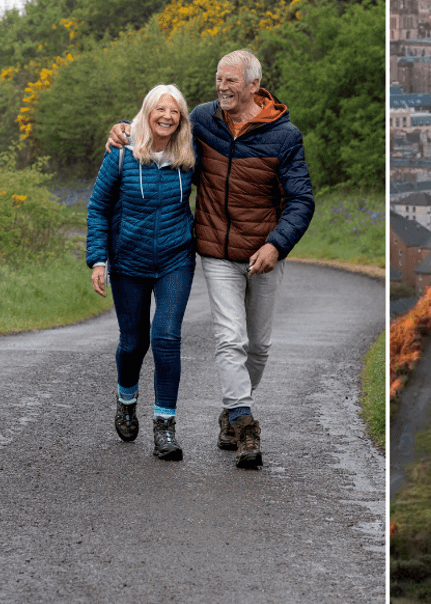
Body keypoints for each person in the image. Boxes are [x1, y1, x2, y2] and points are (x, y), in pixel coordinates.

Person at [108, 50, 314, 470]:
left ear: (254, 86)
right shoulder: (203, 119)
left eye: (231, 82)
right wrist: (124, 128)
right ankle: (244, 422)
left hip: (264, 254)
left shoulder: (285, 136)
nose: (222, 87)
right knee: (229, 338)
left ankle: (229, 412)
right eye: (218, 80)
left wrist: (277, 245)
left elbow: (301, 200)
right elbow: (160, 121)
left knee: (258, 347)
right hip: (216, 253)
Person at [87, 84, 197, 461]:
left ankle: (165, 427)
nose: (167, 116)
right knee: (134, 342)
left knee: (166, 336)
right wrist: (98, 260)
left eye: (175, 111)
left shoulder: (189, 154)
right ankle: (126, 399)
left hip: (175, 259)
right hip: (129, 261)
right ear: (147, 112)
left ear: (182, 118)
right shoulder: (122, 153)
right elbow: (98, 208)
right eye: (160, 110)